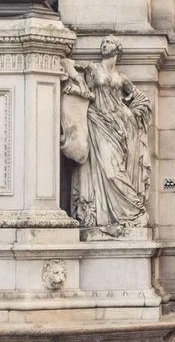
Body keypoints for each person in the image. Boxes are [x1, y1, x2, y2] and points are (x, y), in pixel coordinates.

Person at [62, 37, 152, 237]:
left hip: (120, 126)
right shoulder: (93, 68)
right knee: (109, 171)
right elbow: (80, 80)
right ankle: (129, 211)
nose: (104, 45)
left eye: (109, 43)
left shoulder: (121, 78)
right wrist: (76, 88)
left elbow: (142, 99)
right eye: (103, 42)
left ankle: (125, 217)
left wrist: (131, 114)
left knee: (118, 167)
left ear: (118, 49)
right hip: (98, 121)